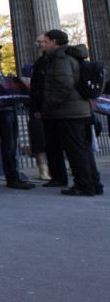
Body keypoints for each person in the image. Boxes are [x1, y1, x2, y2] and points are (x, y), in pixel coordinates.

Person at [41, 29, 103, 196]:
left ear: (54, 42)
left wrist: (49, 103)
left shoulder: (61, 58)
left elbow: (63, 83)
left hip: (68, 112)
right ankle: (93, 182)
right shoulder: (74, 56)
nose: (43, 44)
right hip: (80, 110)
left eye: (45, 41)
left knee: (75, 151)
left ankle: (84, 185)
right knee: (83, 149)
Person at [0, 43, 35, 190]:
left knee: (11, 143)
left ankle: (13, 175)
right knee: (8, 144)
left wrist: (8, 80)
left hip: (7, 108)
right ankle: (12, 177)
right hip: (1, 109)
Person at [26, 33, 52, 181]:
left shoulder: (52, 61)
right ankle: (44, 169)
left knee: (47, 140)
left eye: (41, 42)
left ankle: (50, 169)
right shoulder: (40, 63)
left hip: (48, 106)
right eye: (37, 42)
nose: (38, 45)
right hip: (39, 107)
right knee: (40, 140)